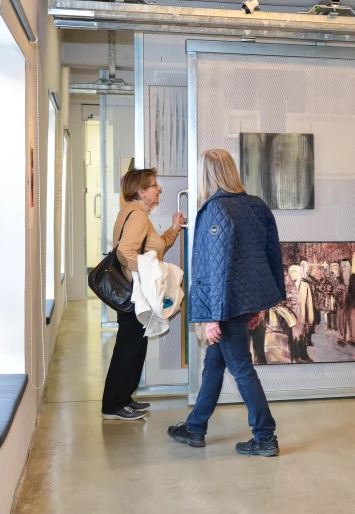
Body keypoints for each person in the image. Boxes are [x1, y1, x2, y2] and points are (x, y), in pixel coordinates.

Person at [168, 148, 285, 457]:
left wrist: (212, 317)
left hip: (226, 305)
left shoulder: (216, 210)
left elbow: (216, 269)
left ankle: (265, 436)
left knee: (241, 368)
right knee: (214, 365)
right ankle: (195, 427)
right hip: (242, 302)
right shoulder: (255, 206)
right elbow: (267, 258)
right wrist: (258, 304)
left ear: (206, 176)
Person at [102, 168, 184, 421]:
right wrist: (152, 272)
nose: (159, 189)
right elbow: (125, 253)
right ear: (141, 191)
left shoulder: (135, 213)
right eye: (154, 185)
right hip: (133, 293)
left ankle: (124, 399)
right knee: (129, 347)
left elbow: (154, 247)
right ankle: (113, 405)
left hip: (133, 292)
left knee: (135, 346)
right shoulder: (137, 215)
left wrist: (173, 230)